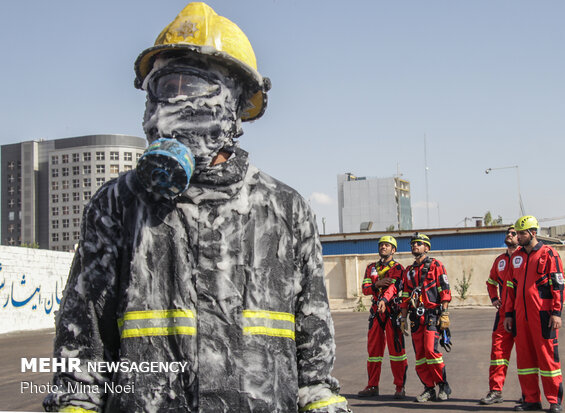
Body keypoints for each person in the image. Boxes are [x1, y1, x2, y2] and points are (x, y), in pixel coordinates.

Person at [43, 3, 349, 412]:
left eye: (192, 85)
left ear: (237, 105)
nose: (172, 105)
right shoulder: (118, 206)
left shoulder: (286, 211)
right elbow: (80, 365)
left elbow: (314, 373)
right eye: (164, 86)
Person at [504, 215, 565, 413]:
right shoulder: (517, 257)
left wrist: (557, 313)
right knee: (525, 360)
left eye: (522, 233)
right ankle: (531, 399)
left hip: (543, 315)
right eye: (517, 233)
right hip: (521, 317)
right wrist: (508, 314)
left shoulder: (549, 254)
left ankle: (554, 401)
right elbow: (511, 287)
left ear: (533, 233)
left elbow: (558, 285)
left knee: (547, 359)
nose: (518, 237)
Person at [400, 233, 452, 402]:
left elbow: (445, 290)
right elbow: (406, 296)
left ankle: (443, 385)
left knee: (431, 351)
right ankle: (428, 388)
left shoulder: (436, 265)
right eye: (413, 243)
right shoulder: (408, 271)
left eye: (419, 243)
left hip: (432, 314)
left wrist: (444, 313)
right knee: (420, 356)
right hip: (415, 317)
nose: (415, 246)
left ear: (427, 248)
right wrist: (403, 318)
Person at [358, 236, 408, 399]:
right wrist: (377, 284)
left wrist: (385, 299)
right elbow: (365, 289)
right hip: (375, 313)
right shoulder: (370, 268)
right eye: (381, 245)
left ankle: (399, 387)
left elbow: (393, 287)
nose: (383, 247)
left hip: (392, 312)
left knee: (397, 352)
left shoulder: (399, 268)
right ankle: (372, 386)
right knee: (373, 352)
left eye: (387, 245)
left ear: (394, 250)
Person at [480, 226, 519, 405]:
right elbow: (490, 282)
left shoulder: (526, 258)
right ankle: (495, 391)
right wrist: (494, 297)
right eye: (508, 233)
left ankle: (530, 394)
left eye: (513, 233)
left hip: (523, 313)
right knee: (498, 353)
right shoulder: (500, 260)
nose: (509, 236)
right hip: (503, 314)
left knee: (527, 355)